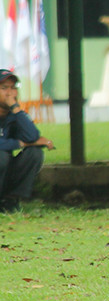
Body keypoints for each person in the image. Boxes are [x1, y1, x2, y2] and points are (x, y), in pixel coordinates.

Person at [0, 69, 55, 213]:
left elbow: (33, 137)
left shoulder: (14, 115)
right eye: (4, 88)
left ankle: (10, 200)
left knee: (34, 153)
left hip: (4, 170)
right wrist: (21, 144)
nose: (9, 93)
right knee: (2, 156)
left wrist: (17, 110)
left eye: (13, 88)